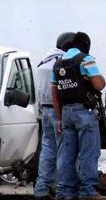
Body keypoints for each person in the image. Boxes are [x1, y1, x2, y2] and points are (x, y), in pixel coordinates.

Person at [52, 32, 106, 200]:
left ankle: (64, 191)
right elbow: (98, 85)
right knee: (89, 153)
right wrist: (100, 79)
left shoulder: (58, 64)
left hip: (66, 112)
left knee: (67, 154)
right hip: (85, 112)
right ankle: (88, 191)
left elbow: (54, 94)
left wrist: (60, 118)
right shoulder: (86, 59)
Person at [34, 32, 75, 200]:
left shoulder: (43, 63)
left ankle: (42, 189)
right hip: (60, 111)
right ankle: (60, 189)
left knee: (47, 151)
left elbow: (38, 91)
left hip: (44, 111)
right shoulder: (64, 64)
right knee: (64, 152)